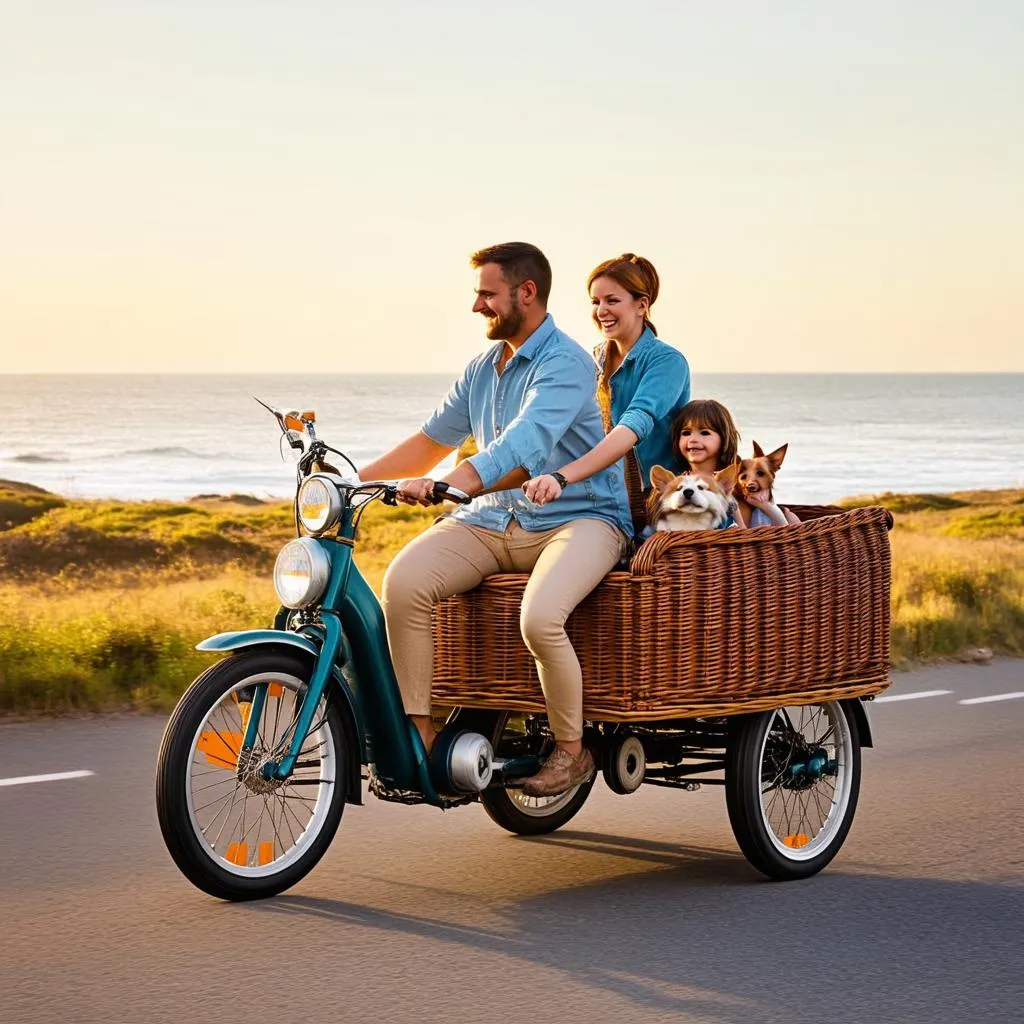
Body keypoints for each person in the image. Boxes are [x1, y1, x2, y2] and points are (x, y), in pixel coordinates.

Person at [359, 242, 632, 797]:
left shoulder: (567, 363)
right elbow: (429, 440)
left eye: (487, 293)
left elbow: (525, 442)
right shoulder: (483, 368)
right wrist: (353, 484)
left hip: (578, 518)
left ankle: (571, 752)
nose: (477, 306)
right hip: (495, 519)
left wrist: (455, 483)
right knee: (404, 583)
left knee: (540, 619)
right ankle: (424, 741)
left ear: (525, 293)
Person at [522, 254, 690, 536]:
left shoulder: (667, 362)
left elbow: (634, 424)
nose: (601, 310)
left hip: (659, 503)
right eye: (595, 302)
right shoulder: (594, 359)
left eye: (612, 301)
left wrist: (562, 477)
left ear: (642, 305)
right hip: (603, 498)